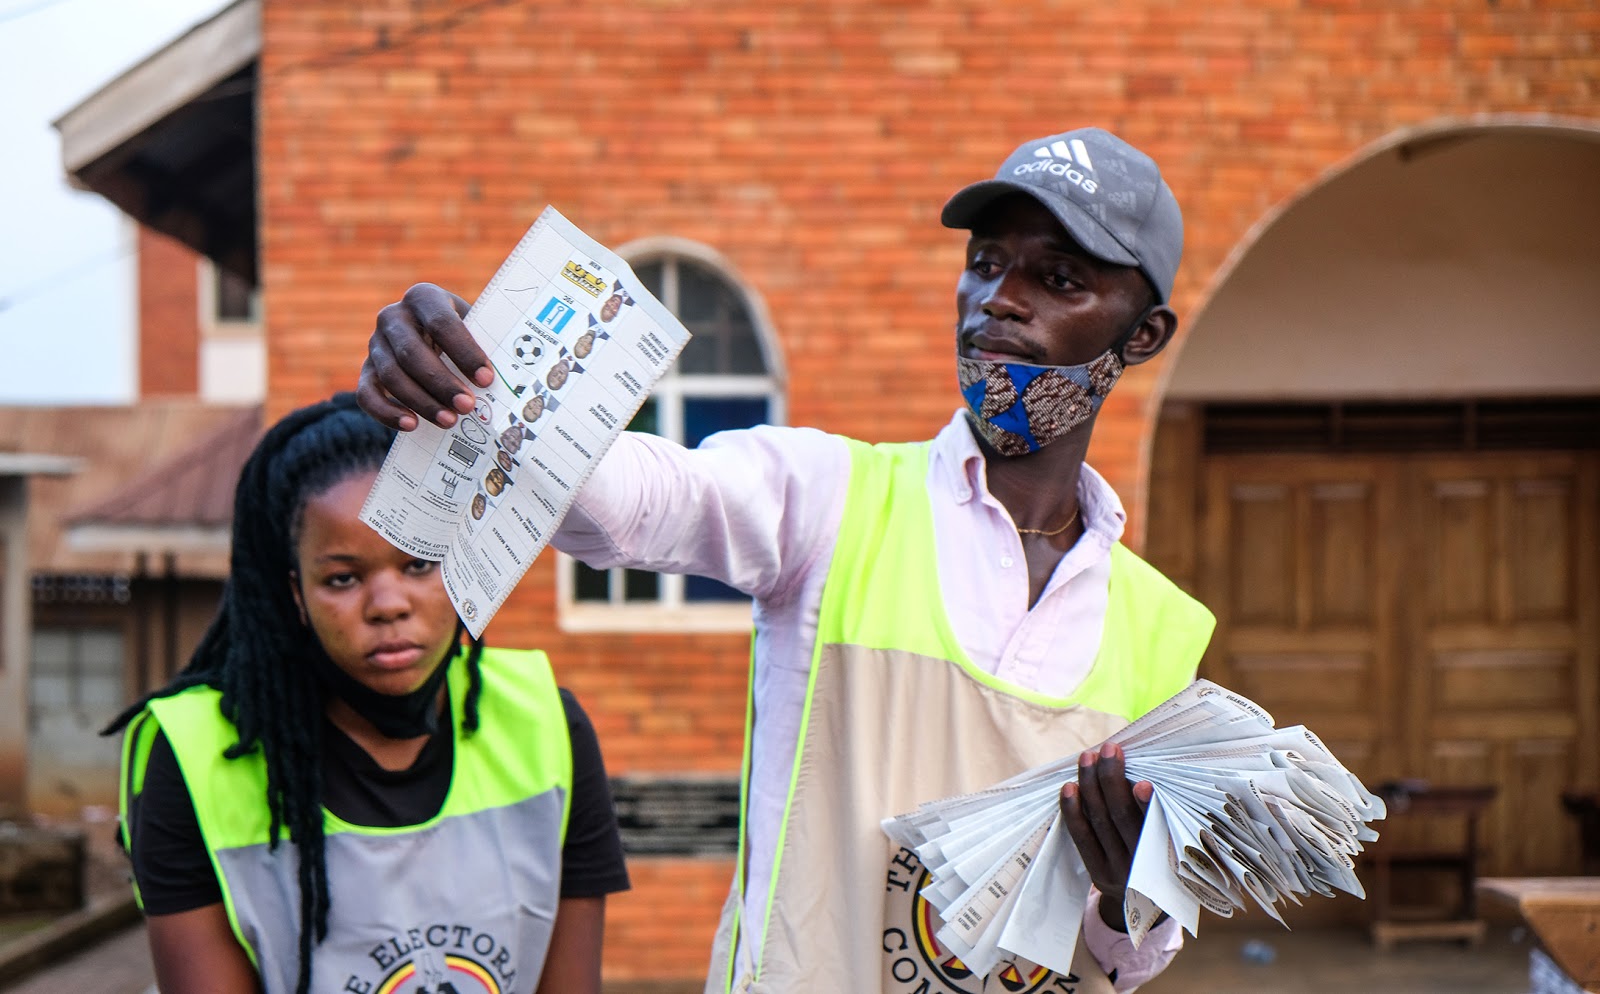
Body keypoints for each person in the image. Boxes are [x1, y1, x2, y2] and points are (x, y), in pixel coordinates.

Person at [358, 128, 1215, 993]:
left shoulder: (1162, 632)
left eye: (1058, 279)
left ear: (1141, 337)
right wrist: (481, 386)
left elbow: (1132, 954)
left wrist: (1120, 891)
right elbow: (636, 501)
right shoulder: (830, 499)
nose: (998, 299)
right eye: (986, 263)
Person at [109, 395, 629, 994]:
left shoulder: (546, 726)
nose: (388, 605)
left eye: (418, 564)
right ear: (296, 595)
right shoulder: (195, 756)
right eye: (343, 578)